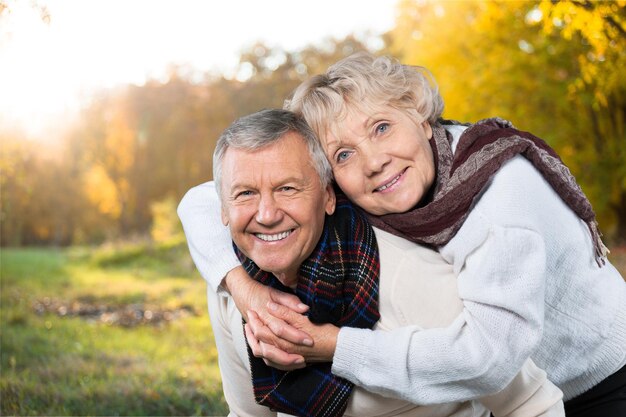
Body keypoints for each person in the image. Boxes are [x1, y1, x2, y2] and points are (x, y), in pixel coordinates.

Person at [181, 52, 626, 417]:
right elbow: (203, 202)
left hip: (597, 378)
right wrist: (243, 288)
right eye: (344, 153)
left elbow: (489, 361)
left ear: (419, 115)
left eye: (381, 127)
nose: (373, 161)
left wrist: (334, 346)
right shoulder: (381, 182)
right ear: (328, 178)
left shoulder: (499, 193)